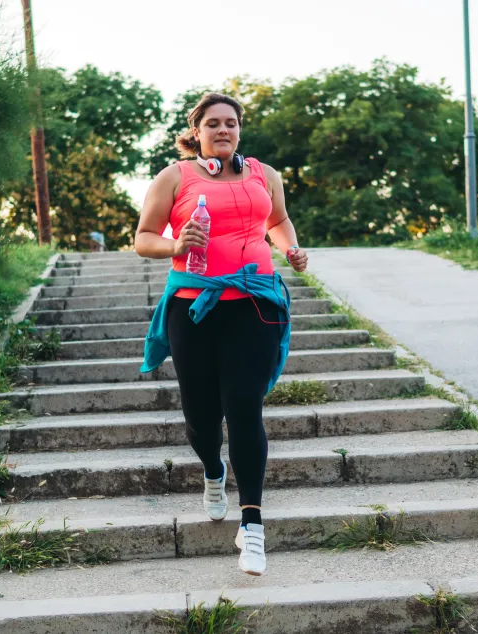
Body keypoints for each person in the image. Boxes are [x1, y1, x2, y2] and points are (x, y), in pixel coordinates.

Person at [135, 93, 308, 576]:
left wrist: (291, 250)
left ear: (239, 130)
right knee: (201, 414)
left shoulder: (264, 175)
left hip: (255, 302)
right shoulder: (175, 177)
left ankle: (251, 526)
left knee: (245, 407)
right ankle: (213, 470)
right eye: (213, 123)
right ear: (197, 132)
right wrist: (177, 242)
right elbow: (143, 238)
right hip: (194, 307)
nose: (223, 130)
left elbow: (277, 222)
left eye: (231, 123)